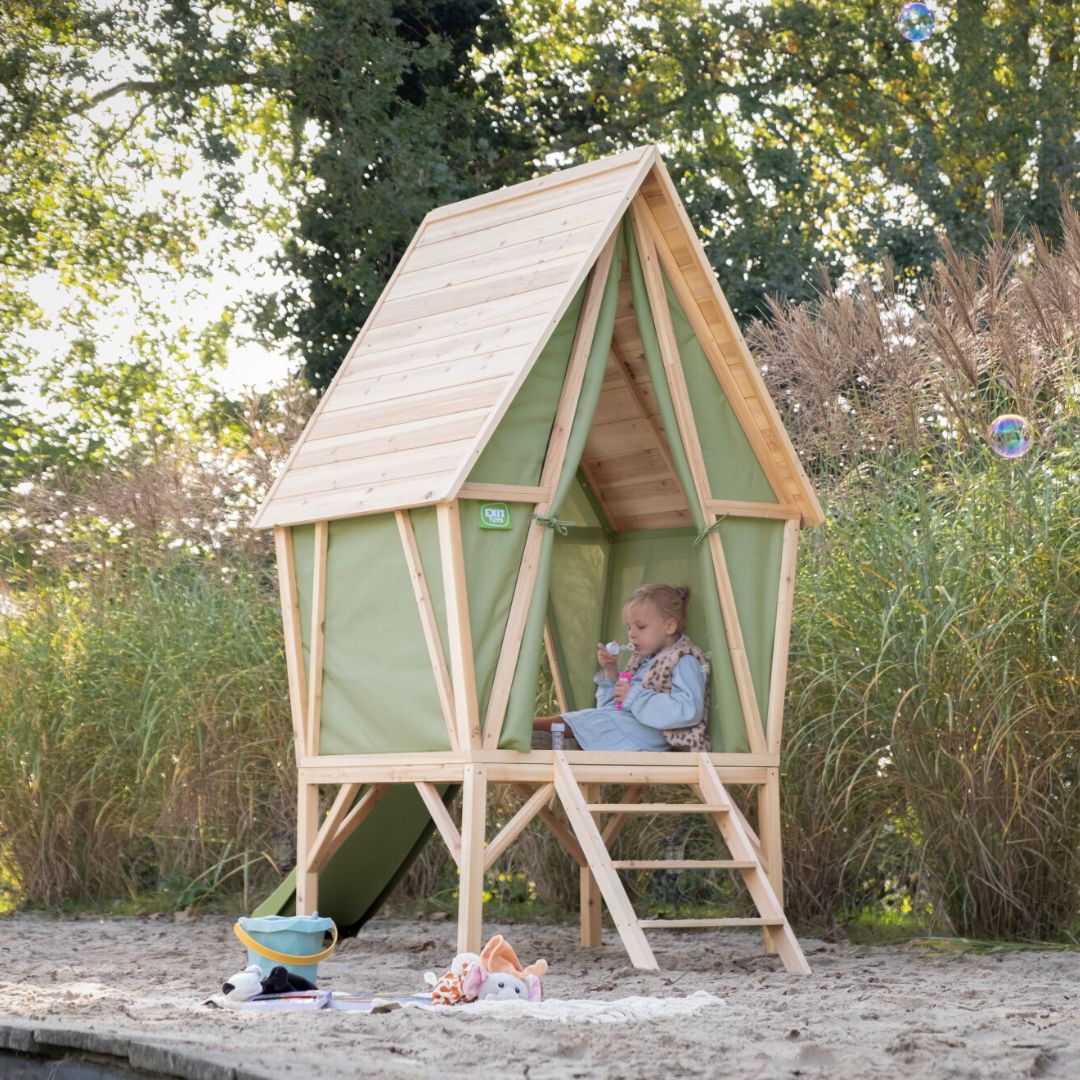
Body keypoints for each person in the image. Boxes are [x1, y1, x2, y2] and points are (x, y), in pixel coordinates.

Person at [535, 584, 711, 752]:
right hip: (628, 726)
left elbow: (689, 710)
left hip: (650, 736)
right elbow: (612, 707)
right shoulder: (642, 660)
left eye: (641, 627)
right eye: (629, 627)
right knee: (594, 718)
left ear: (669, 626)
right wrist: (611, 672)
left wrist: (634, 696)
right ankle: (546, 734)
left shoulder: (684, 659)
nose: (632, 634)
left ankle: (534, 727)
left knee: (591, 720)